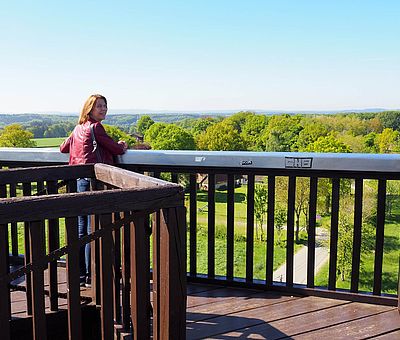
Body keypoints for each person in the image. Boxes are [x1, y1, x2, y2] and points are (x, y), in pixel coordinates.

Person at [60, 94, 128, 287]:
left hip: (78, 180)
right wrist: (122, 145)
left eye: (105, 106)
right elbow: (116, 149)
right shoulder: (95, 127)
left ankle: (79, 275)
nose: (103, 109)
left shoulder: (78, 128)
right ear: (89, 109)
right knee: (92, 229)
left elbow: (63, 148)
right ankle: (91, 276)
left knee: (82, 229)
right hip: (93, 181)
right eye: (99, 106)